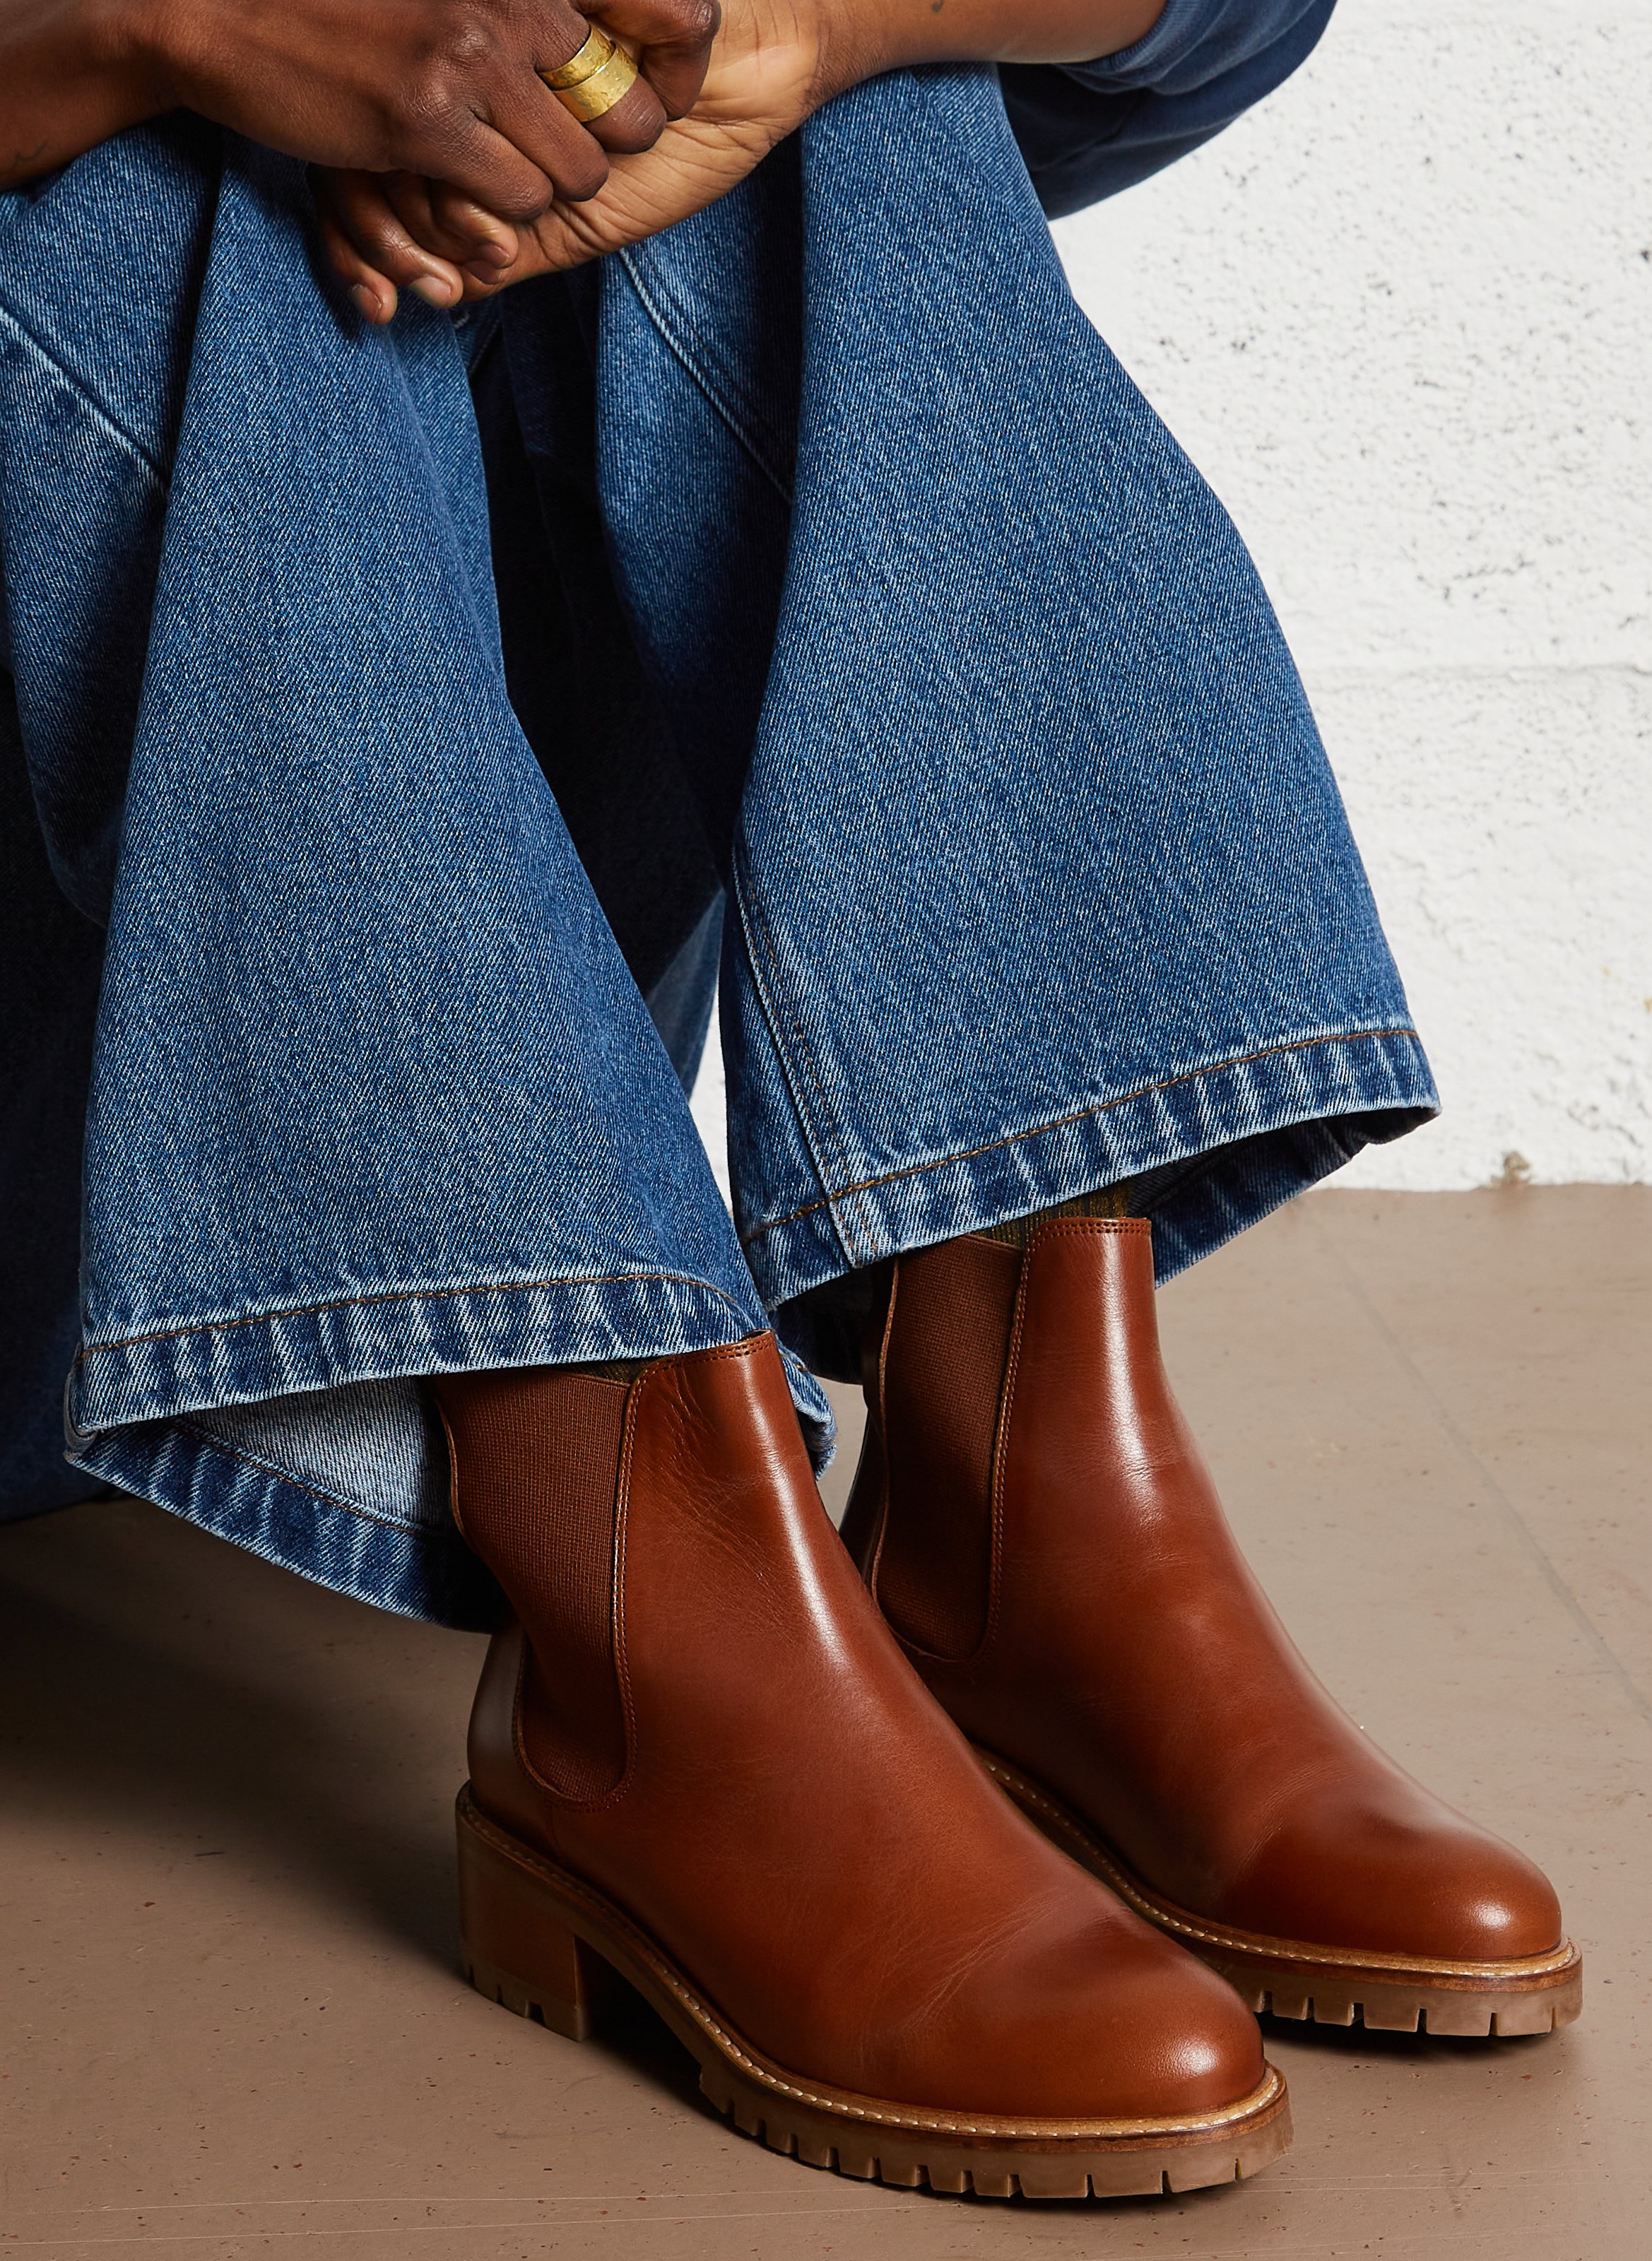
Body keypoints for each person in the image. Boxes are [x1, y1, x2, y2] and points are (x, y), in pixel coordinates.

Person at [0, 0, 1579, 2204]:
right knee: (171, 174)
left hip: (389, 1026)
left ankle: (1022, 1475)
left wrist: (788, 28)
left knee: (775, 73)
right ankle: (644, 1605)